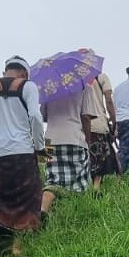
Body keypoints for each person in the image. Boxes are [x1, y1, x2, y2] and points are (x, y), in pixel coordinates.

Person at [0, 55, 44, 255]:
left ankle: (3, 244)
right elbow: (35, 116)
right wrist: (39, 146)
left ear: (5, 71)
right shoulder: (28, 86)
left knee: (0, 198)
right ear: (24, 73)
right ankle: (19, 244)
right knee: (28, 197)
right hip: (22, 152)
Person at [41, 86, 93, 216]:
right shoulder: (84, 86)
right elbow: (86, 117)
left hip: (50, 140)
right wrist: (88, 141)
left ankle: (43, 209)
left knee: (52, 180)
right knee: (78, 184)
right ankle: (74, 217)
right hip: (74, 138)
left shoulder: (48, 85)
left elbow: (43, 115)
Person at [84, 69, 119, 192]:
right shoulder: (101, 77)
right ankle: (96, 189)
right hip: (98, 124)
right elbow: (109, 100)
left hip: (80, 126)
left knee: (87, 160)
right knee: (102, 161)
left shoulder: (75, 81)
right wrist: (114, 122)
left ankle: (88, 190)